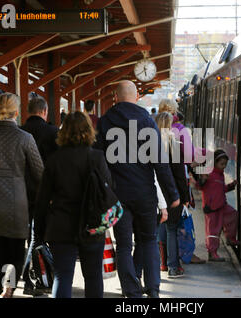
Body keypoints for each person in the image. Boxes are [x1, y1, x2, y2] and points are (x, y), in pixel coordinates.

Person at [95, 80, 180, 298]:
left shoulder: (105, 122)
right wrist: (172, 194)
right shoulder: (146, 120)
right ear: (136, 97)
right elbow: (160, 163)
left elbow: (97, 160)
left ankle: (131, 292)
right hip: (144, 193)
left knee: (124, 245)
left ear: (115, 97)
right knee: (149, 240)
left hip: (117, 195)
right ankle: (152, 289)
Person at [0, 93, 44, 298]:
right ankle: (8, 288)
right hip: (16, 203)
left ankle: (5, 287)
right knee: (16, 254)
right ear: (17, 112)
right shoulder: (25, 138)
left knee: (1, 253)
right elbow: (40, 173)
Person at [34, 111, 111, 298]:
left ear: (64, 131)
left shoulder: (54, 160)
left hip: (60, 227)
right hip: (92, 225)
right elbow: (108, 189)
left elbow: (42, 200)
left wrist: (39, 233)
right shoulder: (97, 157)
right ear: (89, 130)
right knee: (93, 276)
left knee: (63, 276)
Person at [20, 96, 59, 296]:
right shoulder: (53, 132)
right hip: (46, 195)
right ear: (44, 111)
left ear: (28, 111)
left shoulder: (19, 132)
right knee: (41, 238)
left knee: (27, 238)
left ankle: (27, 277)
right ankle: (43, 277)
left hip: (20, 193)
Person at [155, 112, 190, 278]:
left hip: (156, 192)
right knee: (171, 229)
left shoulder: (150, 144)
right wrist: (185, 197)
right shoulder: (173, 144)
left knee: (161, 226)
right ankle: (173, 267)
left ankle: (162, 263)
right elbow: (179, 174)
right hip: (172, 192)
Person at [198, 149, 238, 262]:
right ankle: (212, 252)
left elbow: (221, 189)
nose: (224, 166)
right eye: (222, 164)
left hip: (221, 205)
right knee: (213, 231)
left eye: (225, 164)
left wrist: (230, 186)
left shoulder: (220, 175)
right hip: (211, 208)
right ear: (215, 163)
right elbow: (199, 186)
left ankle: (230, 238)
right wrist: (203, 180)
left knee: (233, 214)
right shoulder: (208, 173)